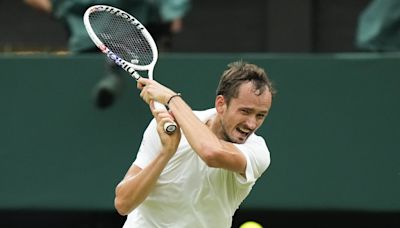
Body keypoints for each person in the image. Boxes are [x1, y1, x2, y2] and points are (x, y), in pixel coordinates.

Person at [114, 60, 276, 227]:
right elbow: (123, 203)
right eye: (245, 111)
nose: (251, 124)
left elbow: (211, 153)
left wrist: (171, 99)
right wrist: (166, 152)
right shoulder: (163, 127)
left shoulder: (257, 152)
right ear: (221, 104)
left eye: (260, 115)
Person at [24, 0, 191, 108]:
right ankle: (112, 76)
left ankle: (113, 75)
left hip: (140, 33)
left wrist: (172, 13)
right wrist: (55, 8)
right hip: (85, 42)